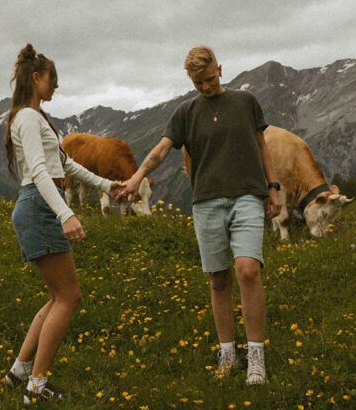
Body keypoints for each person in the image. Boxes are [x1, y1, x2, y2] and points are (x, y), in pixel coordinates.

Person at [118, 45, 282, 385]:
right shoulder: (185, 112)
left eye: (209, 79)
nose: (206, 88)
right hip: (206, 202)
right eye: (198, 84)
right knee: (218, 279)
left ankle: (255, 357)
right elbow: (162, 150)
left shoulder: (245, 102)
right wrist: (136, 178)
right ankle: (227, 354)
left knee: (248, 270)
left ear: (220, 69)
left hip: (248, 196)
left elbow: (262, 145)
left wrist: (274, 186)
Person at [3, 44, 124, 403]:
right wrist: (65, 212)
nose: (56, 86)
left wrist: (107, 185)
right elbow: (40, 171)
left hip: (38, 204)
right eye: (52, 80)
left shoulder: (36, 118)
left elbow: (65, 166)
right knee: (69, 297)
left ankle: (18, 373)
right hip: (40, 205)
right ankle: (36, 388)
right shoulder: (26, 117)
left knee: (58, 296)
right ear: (37, 77)